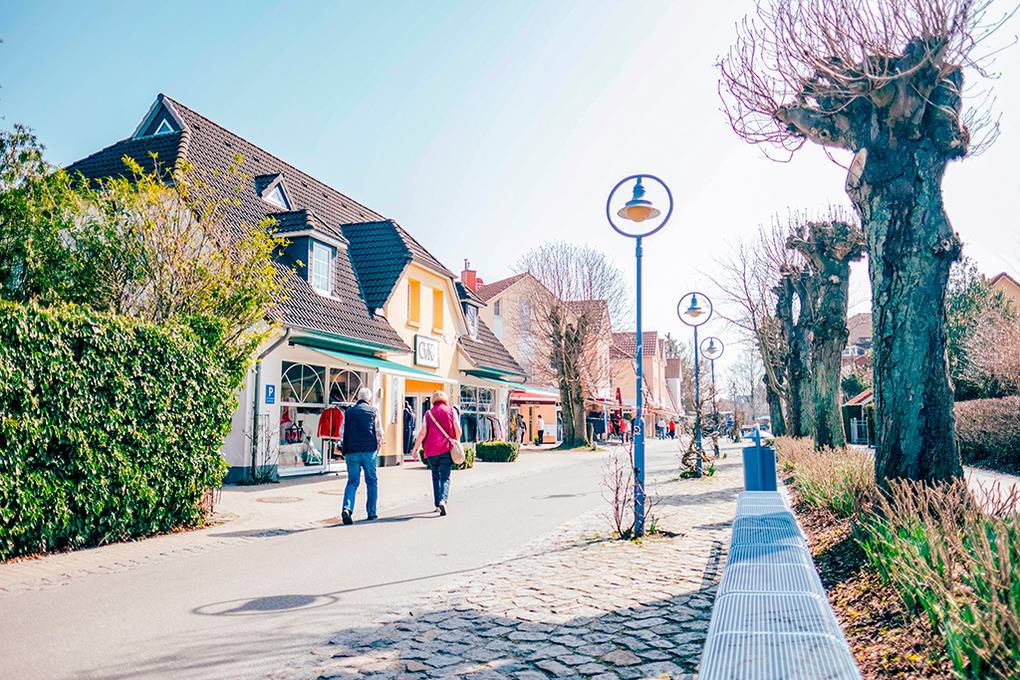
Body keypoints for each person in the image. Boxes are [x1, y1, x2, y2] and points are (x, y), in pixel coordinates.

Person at [412, 390, 462, 516]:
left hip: (431, 450)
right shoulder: (451, 411)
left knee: (435, 476)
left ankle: (437, 505)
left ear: (433, 400)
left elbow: (423, 432)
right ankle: (443, 500)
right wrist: (456, 441)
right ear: (445, 399)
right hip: (446, 448)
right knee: (445, 477)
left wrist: (415, 448)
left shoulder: (428, 413)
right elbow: (458, 430)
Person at [339, 387, 383, 525]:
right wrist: (378, 447)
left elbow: (342, 432)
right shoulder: (374, 411)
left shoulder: (348, 412)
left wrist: (344, 447)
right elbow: (379, 432)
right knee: (371, 481)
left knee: (352, 482)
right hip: (369, 451)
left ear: (358, 398)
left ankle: (347, 509)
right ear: (369, 399)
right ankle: (371, 512)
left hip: (352, 452)